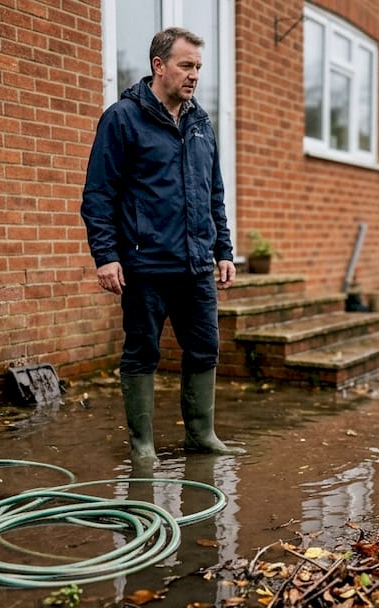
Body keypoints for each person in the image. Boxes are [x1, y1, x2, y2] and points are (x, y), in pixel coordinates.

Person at [81, 27, 244, 465]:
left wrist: (223, 251)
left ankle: (201, 434)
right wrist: (106, 256)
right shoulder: (122, 119)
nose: (194, 75)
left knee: (205, 348)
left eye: (198, 68)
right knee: (142, 352)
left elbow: (214, 193)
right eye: (186, 65)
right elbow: (99, 194)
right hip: (145, 265)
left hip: (195, 267)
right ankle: (142, 444)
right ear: (159, 65)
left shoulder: (200, 123)